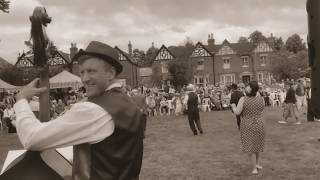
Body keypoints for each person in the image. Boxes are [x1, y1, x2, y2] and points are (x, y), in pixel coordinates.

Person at [13, 41, 145, 180]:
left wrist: (21, 100)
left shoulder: (92, 110)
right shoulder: (129, 104)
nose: (85, 79)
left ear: (111, 73)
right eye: (82, 72)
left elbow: (32, 138)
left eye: (91, 71)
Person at [231, 81, 265, 175]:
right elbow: (262, 109)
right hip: (260, 123)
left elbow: (237, 112)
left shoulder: (243, 99)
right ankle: (257, 164)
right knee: (257, 145)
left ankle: (254, 168)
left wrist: (233, 106)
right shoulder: (261, 99)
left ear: (249, 89)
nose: (246, 88)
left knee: (251, 147)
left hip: (248, 124)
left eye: (247, 87)